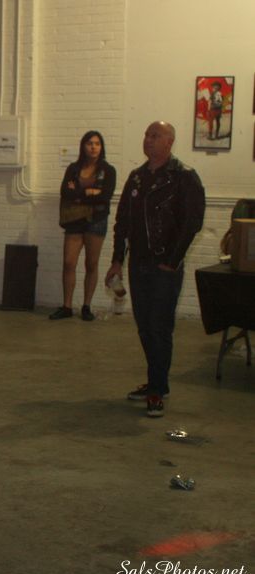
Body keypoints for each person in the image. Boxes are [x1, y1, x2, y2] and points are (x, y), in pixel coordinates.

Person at [105, 121, 205, 418]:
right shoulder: (137, 178)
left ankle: (157, 390)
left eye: (155, 135)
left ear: (169, 142)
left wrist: (172, 261)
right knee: (145, 326)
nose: (148, 140)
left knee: (160, 327)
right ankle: (157, 381)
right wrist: (117, 260)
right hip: (139, 264)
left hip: (165, 266)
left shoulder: (184, 177)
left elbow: (192, 222)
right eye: (147, 135)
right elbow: (122, 221)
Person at [49, 131, 116, 322]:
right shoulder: (73, 168)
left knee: (91, 264)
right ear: (83, 146)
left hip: (96, 220)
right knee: (69, 263)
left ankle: (86, 306)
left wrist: (79, 194)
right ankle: (67, 306)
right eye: (89, 143)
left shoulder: (108, 170)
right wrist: (90, 192)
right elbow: (65, 192)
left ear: (101, 147)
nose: (93, 147)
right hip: (74, 220)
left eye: (97, 143)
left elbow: (105, 196)